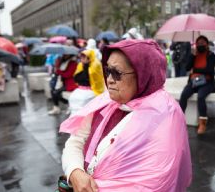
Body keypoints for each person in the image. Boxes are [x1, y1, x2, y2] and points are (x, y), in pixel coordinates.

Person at [59, 39, 192, 191]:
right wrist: (75, 172)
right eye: (108, 71)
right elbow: (75, 142)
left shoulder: (165, 115)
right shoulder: (105, 102)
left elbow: (155, 182)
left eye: (117, 73)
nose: (109, 80)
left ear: (143, 75)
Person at [179, 36, 215, 134]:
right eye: (198, 43)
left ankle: (202, 123)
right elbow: (187, 68)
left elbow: (209, 70)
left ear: (207, 44)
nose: (200, 45)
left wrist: (195, 70)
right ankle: (179, 119)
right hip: (194, 82)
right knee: (184, 95)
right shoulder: (194, 55)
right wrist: (192, 56)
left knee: (201, 96)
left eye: (202, 43)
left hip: (207, 83)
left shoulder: (211, 55)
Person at [68, 49, 106, 115]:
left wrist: (86, 66)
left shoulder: (95, 65)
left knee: (82, 101)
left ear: (89, 57)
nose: (82, 59)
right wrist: (84, 66)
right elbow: (76, 78)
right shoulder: (80, 65)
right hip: (81, 89)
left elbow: (90, 79)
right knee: (72, 97)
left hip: (92, 90)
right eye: (81, 57)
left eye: (84, 57)